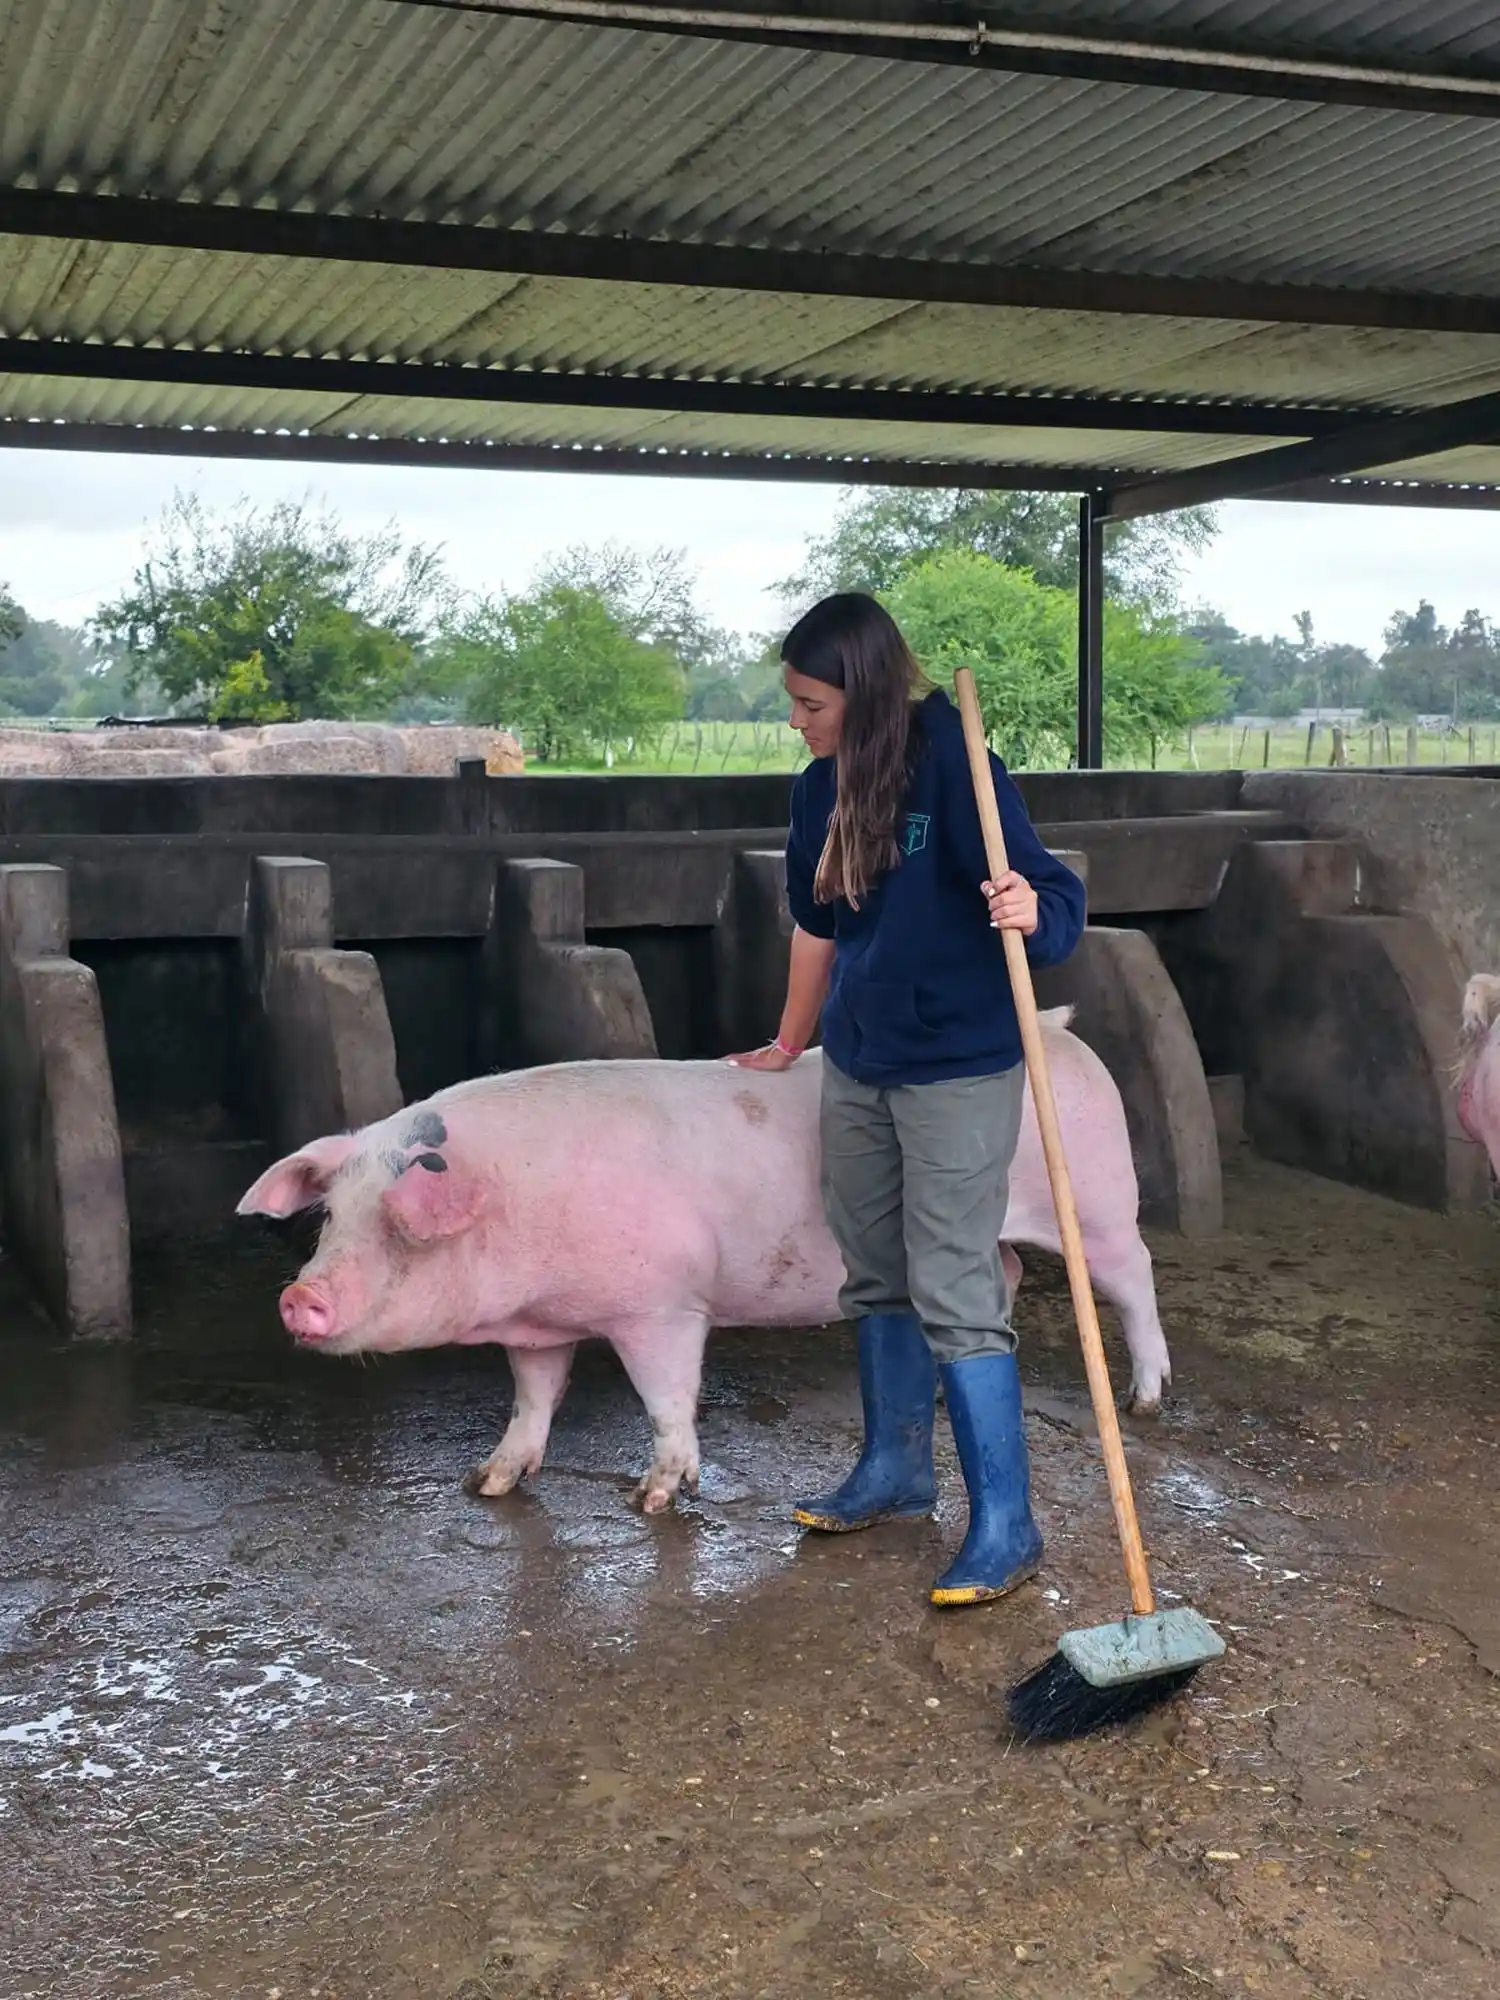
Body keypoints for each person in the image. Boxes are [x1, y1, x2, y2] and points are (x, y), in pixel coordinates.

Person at [730, 592, 1086, 1607]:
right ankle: (894, 1470)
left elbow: (1053, 894)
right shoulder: (815, 792)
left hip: (960, 1063)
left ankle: (1007, 1525)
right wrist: (792, 1039)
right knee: (875, 1270)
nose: (796, 720)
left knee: (954, 1282)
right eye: (791, 702)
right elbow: (816, 926)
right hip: (862, 1057)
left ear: (864, 688)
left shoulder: (955, 761)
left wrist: (1030, 906)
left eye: (809, 702)